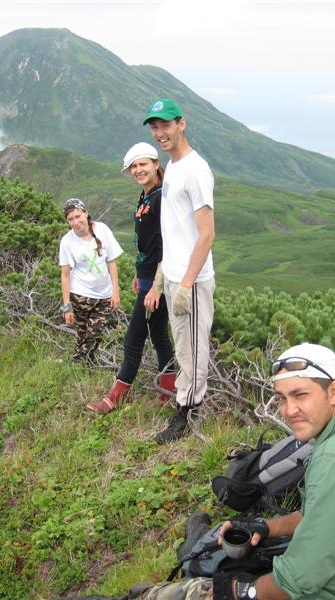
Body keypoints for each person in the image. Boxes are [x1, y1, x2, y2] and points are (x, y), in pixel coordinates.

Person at [106, 342, 335, 600]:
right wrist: (265, 528)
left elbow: (298, 578)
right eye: (281, 399)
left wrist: (234, 592)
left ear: (333, 392)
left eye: (301, 395)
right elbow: (320, 517)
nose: (289, 410)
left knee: (198, 590)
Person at [144, 99, 216, 443]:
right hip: (174, 276)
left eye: (166, 125)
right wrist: (162, 277)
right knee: (184, 346)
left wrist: (186, 283)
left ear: (181, 124)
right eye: (155, 127)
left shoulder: (196, 170)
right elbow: (174, 231)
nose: (160, 133)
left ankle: (187, 415)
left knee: (195, 348)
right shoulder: (172, 167)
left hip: (193, 281)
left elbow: (207, 234)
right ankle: (185, 403)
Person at [87, 143, 176, 413]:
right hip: (149, 278)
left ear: (156, 163)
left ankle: (115, 397)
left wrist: (156, 288)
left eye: (143, 164)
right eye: (133, 167)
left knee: (134, 338)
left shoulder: (162, 197)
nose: (138, 170)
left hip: (160, 280)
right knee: (159, 335)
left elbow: (166, 245)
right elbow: (147, 243)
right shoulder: (146, 195)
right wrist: (141, 275)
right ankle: (168, 393)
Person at [59, 198, 123, 363]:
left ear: (86, 213)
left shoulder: (102, 229)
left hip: (104, 295)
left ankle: (82, 362)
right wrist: (67, 306)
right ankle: (82, 365)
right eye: (70, 219)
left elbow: (111, 262)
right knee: (82, 333)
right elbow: (65, 274)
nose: (76, 222)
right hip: (80, 295)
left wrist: (116, 291)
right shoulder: (67, 241)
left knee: (95, 333)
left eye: (78, 216)